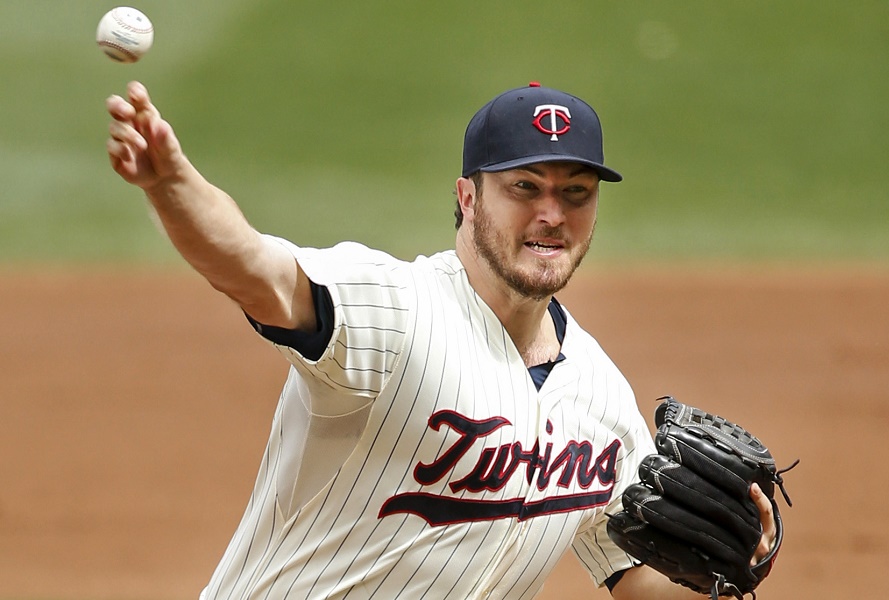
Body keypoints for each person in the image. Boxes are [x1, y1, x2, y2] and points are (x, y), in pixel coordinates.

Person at [105, 81, 777, 599]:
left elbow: (635, 578)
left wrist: (731, 566)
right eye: (524, 187)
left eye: (575, 192)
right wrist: (171, 185)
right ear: (467, 197)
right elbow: (256, 272)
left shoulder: (599, 395)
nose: (552, 213)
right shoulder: (396, 311)